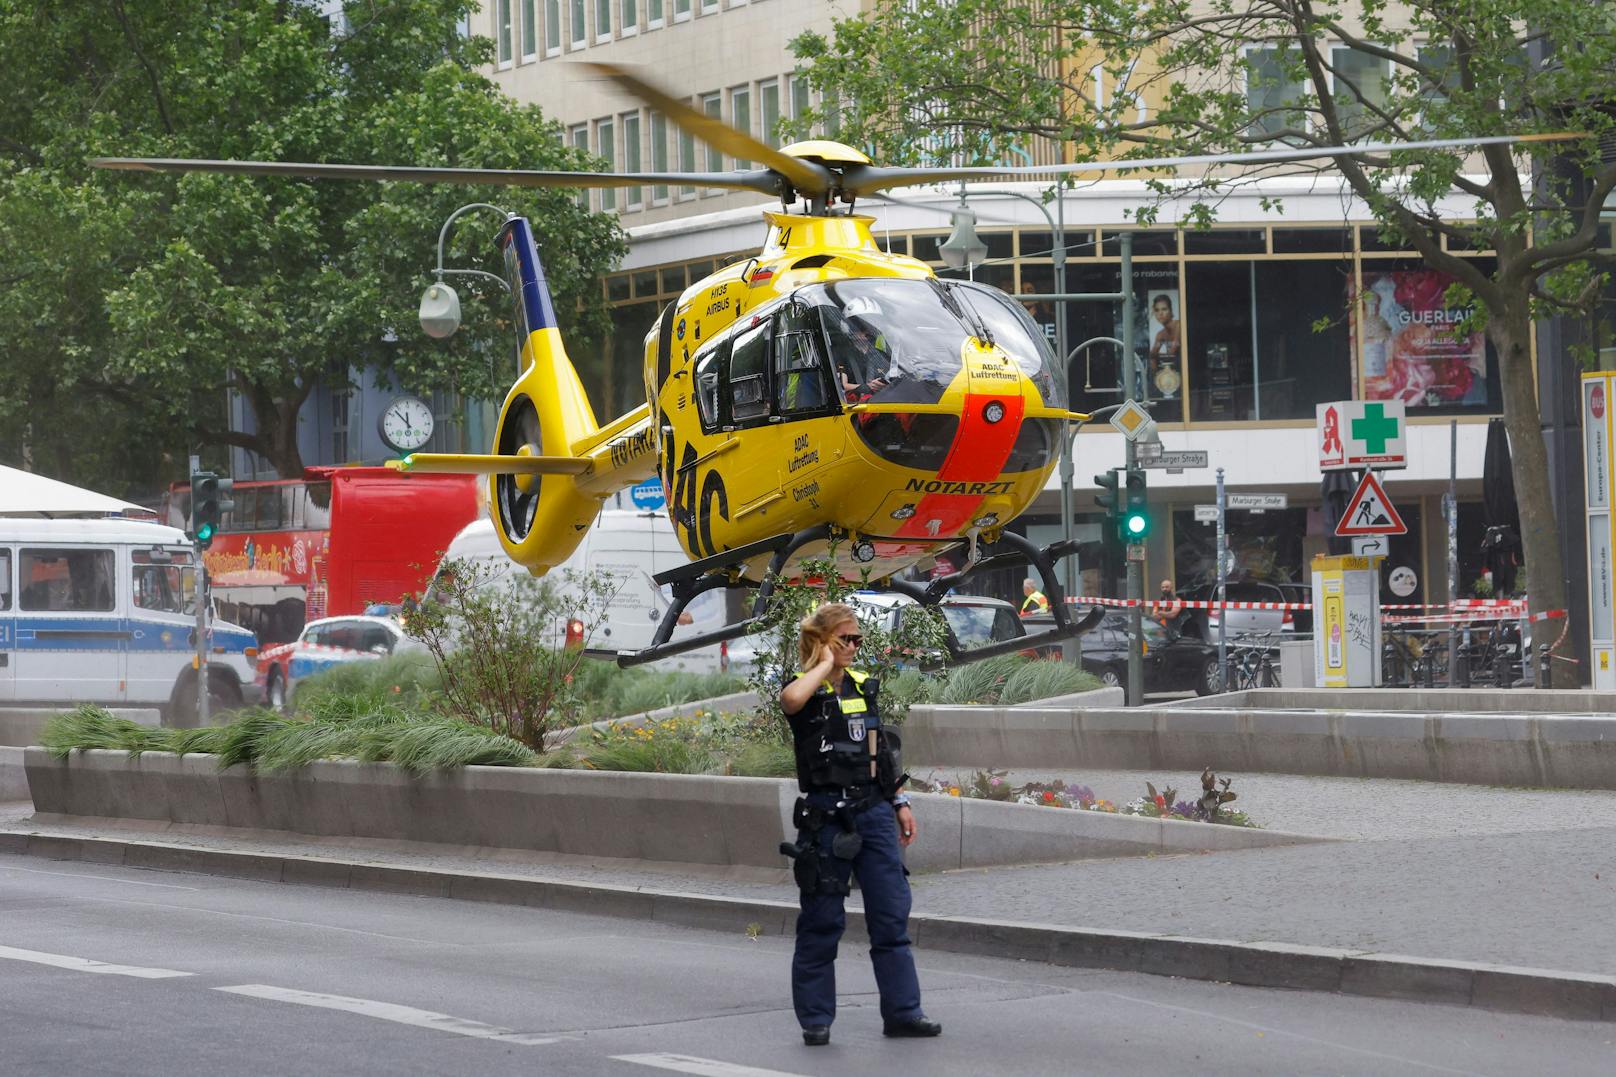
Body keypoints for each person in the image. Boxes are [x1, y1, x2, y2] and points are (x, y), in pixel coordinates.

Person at [779, 602, 940, 1047]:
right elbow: (791, 700)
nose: (853, 647)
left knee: (891, 917)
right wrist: (824, 663)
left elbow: (879, 752)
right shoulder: (804, 690)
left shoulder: (863, 686)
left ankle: (904, 1013)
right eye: (844, 640)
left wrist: (900, 801)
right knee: (823, 920)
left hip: (873, 812)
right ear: (822, 641)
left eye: (857, 641)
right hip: (827, 817)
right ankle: (816, 1019)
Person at [1150, 294, 1180, 361]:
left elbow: (1172, 353)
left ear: (1170, 310)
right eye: (1157, 310)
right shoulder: (1161, 334)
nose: (1160, 313)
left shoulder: (1178, 325)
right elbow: (1152, 355)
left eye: (1164, 309)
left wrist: (1155, 355)